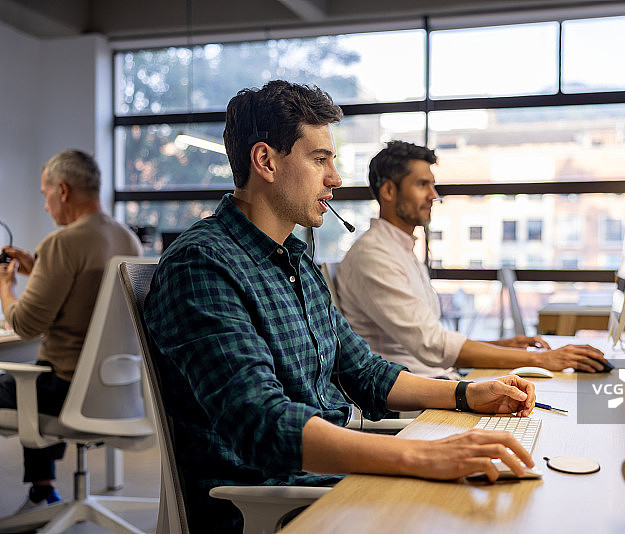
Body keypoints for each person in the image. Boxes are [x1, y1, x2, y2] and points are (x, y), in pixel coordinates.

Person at [143, 80, 538, 533]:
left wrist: (466, 394)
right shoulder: (202, 265)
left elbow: (365, 373)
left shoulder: (296, 263)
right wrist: (420, 455)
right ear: (265, 161)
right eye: (320, 160)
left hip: (327, 482)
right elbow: (263, 423)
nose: (335, 178)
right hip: (271, 503)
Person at [336, 140, 609, 379]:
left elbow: (433, 341)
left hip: (437, 380)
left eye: (432, 185)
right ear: (388, 191)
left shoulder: (398, 249)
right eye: (422, 185)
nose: (433, 195)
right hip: (411, 401)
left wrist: (501, 346)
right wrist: (541, 360)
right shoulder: (374, 256)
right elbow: (433, 345)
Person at [0, 149, 142, 512]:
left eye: (45, 194)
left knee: (28, 379)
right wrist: (38, 269)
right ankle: (43, 489)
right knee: (34, 376)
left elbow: (25, 324)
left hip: (65, 391)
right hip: (117, 389)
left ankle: (41, 490)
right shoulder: (127, 239)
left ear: (62, 190)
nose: (46, 205)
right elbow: (84, 296)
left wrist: (6, 287)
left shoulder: (62, 243)